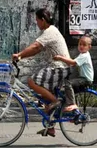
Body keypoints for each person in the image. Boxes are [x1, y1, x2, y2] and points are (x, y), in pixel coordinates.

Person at [12, 8, 70, 137]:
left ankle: (56, 101)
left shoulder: (50, 32)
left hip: (59, 67)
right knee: (44, 97)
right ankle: (50, 127)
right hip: (58, 67)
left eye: (37, 20)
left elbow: (36, 46)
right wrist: (22, 57)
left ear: (42, 20)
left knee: (31, 81)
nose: (37, 23)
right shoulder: (49, 31)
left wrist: (19, 54)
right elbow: (36, 50)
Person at [53, 36, 94, 112]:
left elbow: (73, 63)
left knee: (68, 83)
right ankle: (75, 113)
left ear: (89, 47)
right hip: (82, 78)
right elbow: (72, 62)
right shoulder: (82, 54)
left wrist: (60, 58)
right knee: (69, 93)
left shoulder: (84, 56)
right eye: (80, 44)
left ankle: (72, 104)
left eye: (84, 45)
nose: (81, 46)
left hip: (86, 79)